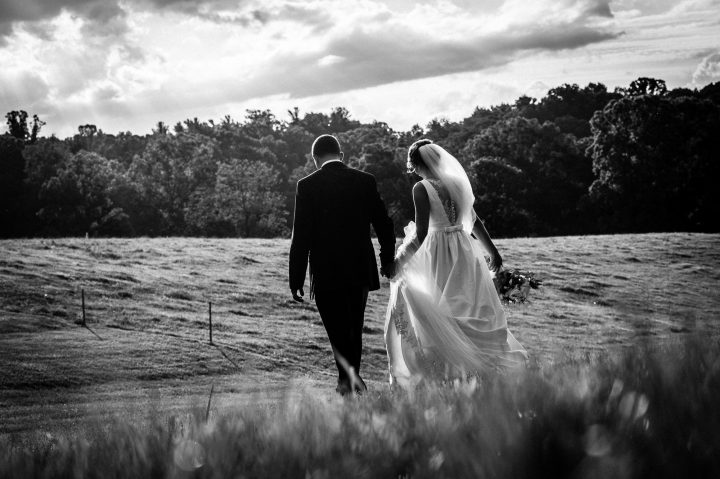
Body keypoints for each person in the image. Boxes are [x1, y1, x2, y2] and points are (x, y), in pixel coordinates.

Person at [384, 139, 527, 388]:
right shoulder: (458, 184)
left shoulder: (422, 188)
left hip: (436, 252)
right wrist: (492, 252)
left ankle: (447, 372)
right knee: (468, 305)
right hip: (463, 249)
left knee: (439, 309)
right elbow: (475, 222)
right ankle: (474, 371)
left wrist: (400, 260)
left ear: (417, 164)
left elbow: (420, 233)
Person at [289, 134, 396, 395]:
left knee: (336, 330)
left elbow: (301, 235)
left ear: (315, 159)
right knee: (353, 327)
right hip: (359, 266)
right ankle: (350, 380)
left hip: (326, 270)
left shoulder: (307, 185)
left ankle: (347, 383)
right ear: (342, 155)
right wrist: (386, 260)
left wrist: (296, 278)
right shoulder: (364, 181)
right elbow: (384, 224)